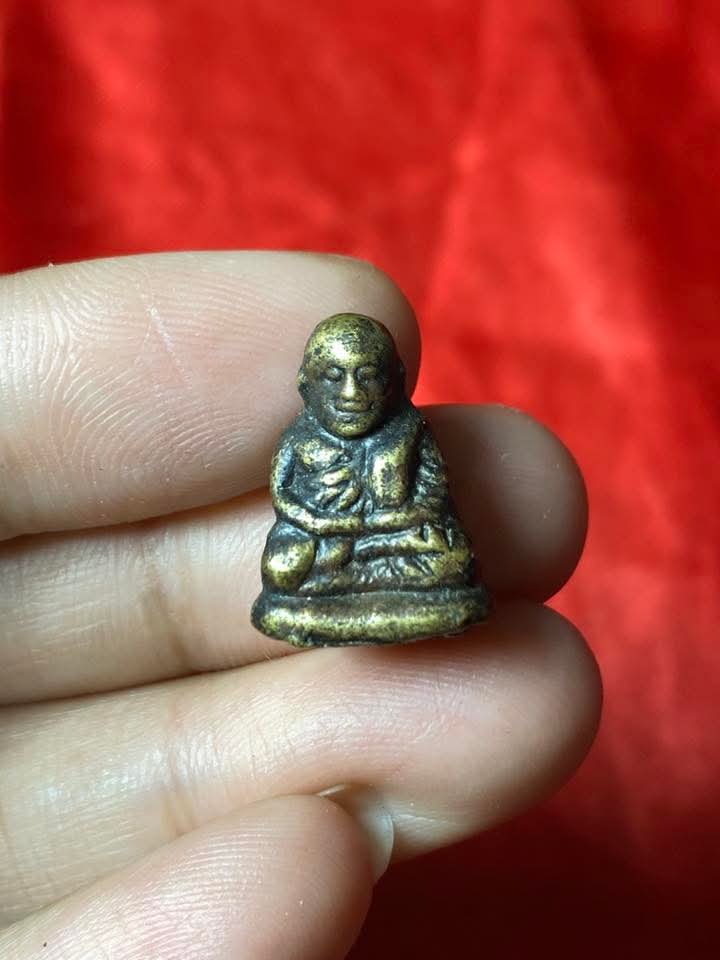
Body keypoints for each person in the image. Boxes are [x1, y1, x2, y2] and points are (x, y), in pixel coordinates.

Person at [0, 252, 601, 960]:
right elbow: (288, 499)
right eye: (334, 377)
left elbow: (430, 498)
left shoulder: (408, 433)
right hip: (323, 545)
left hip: (391, 539)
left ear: (395, 382)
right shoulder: (303, 437)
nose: (352, 392)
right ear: (306, 386)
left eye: (369, 376)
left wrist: (385, 523)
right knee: (286, 562)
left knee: (447, 557)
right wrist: (327, 526)